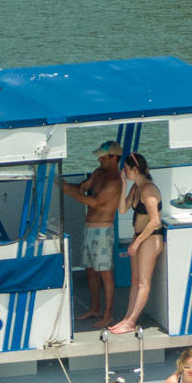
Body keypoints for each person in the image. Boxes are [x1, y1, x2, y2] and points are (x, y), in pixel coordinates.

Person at [60, 140, 125, 328]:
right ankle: (95, 308)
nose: (99, 160)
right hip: (89, 228)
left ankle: (108, 314)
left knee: (105, 273)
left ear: (114, 158)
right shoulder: (98, 173)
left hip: (103, 230)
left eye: (103, 157)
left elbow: (94, 202)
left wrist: (66, 190)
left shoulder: (115, 181)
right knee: (90, 270)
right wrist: (66, 185)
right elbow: (82, 186)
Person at [107, 153, 164, 336]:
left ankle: (131, 322)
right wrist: (123, 185)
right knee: (135, 280)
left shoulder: (148, 190)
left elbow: (155, 221)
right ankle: (127, 318)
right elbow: (122, 209)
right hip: (139, 237)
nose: (124, 171)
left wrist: (137, 242)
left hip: (150, 238)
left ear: (135, 169)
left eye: (125, 169)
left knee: (143, 283)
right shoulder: (136, 188)